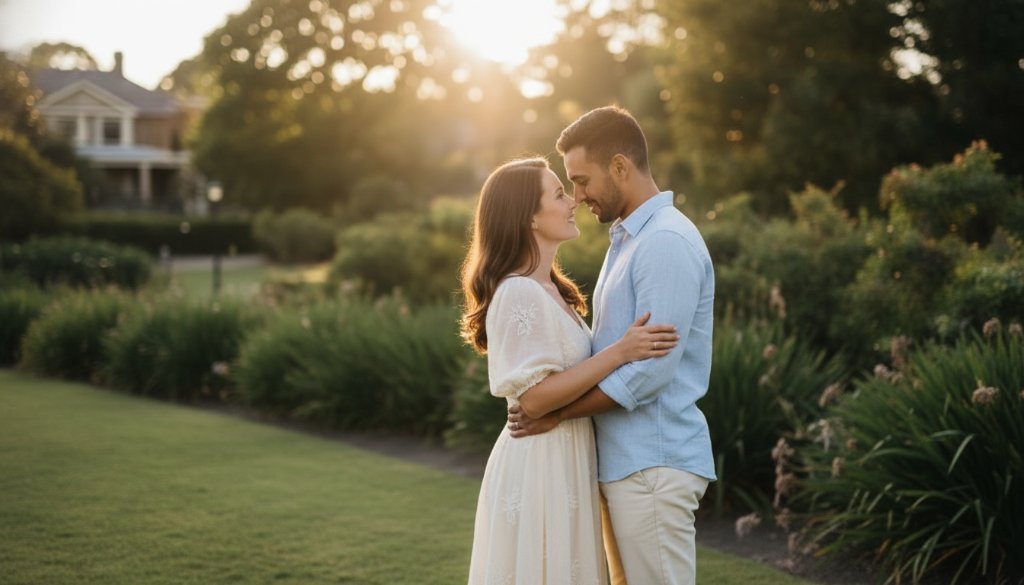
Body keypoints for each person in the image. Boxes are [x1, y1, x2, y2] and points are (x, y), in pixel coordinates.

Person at [507, 105, 716, 585]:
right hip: (627, 463)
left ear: (620, 167)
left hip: (653, 464)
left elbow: (651, 373)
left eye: (581, 181)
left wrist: (559, 412)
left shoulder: (664, 242)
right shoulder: (628, 240)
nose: (577, 197)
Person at [461, 157, 681, 585]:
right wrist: (621, 351)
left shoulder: (550, 289)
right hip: (540, 461)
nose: (572, 201)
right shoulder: (517, 291)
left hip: (568, 455)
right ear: (529, 218)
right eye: (559, 194)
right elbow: (535, 399)